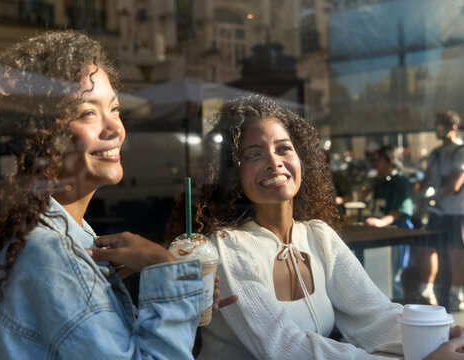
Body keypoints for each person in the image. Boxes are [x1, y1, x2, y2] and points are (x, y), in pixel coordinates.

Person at [0, 30, 233, 359]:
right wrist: (164, 267)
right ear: (39, 136)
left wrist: (156, 292)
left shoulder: (55, 238)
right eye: (88, 113)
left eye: (114, 109)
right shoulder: (51, 252)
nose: (115, 127)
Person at [165, 95, 463, 359]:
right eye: (253, 154)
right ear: (232, 174)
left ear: (301, 160)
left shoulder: (318, 236)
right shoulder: (227, 246)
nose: (274, 162)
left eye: (283, 149)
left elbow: (376, 317)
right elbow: (285, 348)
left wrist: (442, 338)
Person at [417, 110, 464, 311]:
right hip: (437, 213)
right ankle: (427, 289)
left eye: (441, 124)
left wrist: (429, 198)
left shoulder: (460, 151)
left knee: (456, 253)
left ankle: (457, 294)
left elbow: (454, 184)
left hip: (456, 212)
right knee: (429, 249)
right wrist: (419, 198)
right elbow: (426, 178)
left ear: (452, 127)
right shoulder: (435, 153)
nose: (438, 128)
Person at [364, 145, 414, 300]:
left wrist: (381, 222)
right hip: (379, 235)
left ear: (390, 162)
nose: (375, 164)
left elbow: (400, 211)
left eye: (379, 160)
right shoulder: (380, 182)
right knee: (378, 277)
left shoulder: (400, 182)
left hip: (395, 234)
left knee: (393, 277)